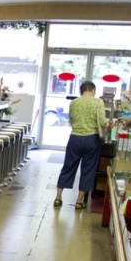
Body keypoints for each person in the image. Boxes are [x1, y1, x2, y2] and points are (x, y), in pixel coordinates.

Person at [54, 80, 108, 210]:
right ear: (93, 90)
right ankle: (79, 201)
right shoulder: (98, 102)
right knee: (88, 170)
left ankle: (58, 197)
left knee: (68, 167)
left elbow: (71, 120)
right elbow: (102, 122)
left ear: (81, 91)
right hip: (91, 139)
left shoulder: (74, 102)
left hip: (75, 138)